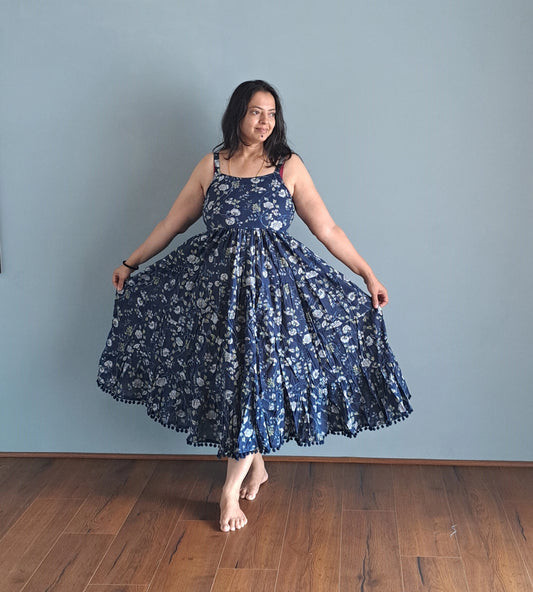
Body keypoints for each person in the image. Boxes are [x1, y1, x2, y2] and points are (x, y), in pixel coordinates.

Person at [97, 80, 412, 532]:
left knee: (250, 380)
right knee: (237, 382)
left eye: (271, 113)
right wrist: (131, 262)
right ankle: (257, 466)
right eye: (255, 113)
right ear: (237, 115)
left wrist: (368, 274)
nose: (265, 122)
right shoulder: (212, 165)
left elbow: (328, 228)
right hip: (219, 299)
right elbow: (174, 222)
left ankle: (227, 492)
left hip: (273, 300)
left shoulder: (288, 166)